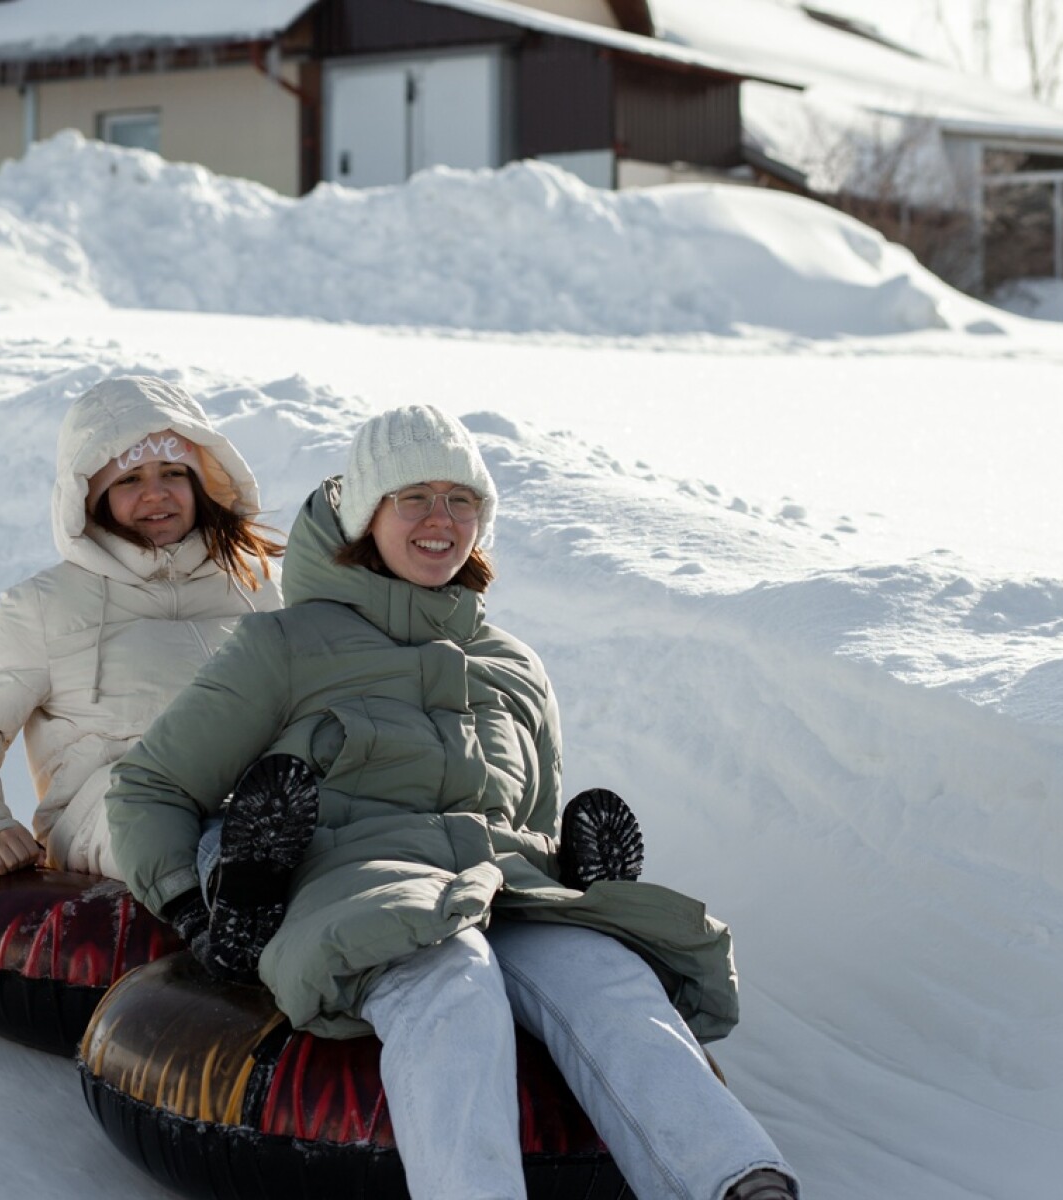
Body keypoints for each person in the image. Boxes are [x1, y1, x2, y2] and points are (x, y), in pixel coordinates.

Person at [106, 405, 797, 1200]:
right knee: (452, 979)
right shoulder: (286, 645)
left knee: (610, 978)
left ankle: (739, 1185)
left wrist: (573, 870)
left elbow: (529, 817)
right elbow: (152, 786)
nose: (440, 520)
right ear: (366, 517)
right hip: (357, 884)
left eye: (460, 500)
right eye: (413, 498)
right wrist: (190, 909)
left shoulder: (514, 665)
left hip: (505, 887)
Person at [0, 375, 282, 880]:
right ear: (92, 496)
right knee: (150, 808)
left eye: (173, 472)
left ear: (200, 483)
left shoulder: (260, 588)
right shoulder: (49, 605)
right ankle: (236, 876)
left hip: (252, 796)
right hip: (109, 814)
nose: (156, 494)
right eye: (129, 480)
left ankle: (272, 864)